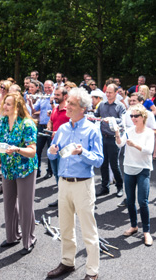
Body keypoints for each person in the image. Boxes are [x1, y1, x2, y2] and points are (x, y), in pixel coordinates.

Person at [47, 87, 103, 280]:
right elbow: (51, 154)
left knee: (88, 230)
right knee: (65, 227)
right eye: (67, 102)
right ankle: (67, 262)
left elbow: (98, 160)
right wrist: (52, 151)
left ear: (82, 109)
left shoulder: (92, 129)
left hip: (83, 185)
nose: (66, 106)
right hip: (64, 183)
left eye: (71, 103)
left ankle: (92, 271)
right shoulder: (62, 128)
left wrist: (83, 153)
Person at [0, 93, 38, 255]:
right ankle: (12, 236)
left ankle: (29, 239)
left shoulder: (27, 124)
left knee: (26, 206)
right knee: (9, 203)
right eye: (5, 103)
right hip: (7, 168)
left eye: (9, 104)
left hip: (25, 168)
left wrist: (17, 149)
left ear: (17, 107)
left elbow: (32, 151)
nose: (4, 107)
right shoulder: (2, 121)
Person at [115, 104, 154, 246]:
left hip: (143, 168)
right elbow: (120, 144)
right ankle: (133, 226)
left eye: (136, 116)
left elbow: (149, 150)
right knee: (130, 200)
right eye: (131, 116)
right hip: (129, 167)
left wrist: (135, 145)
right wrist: (117, 134)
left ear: (143, 117)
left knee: (143, 201)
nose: (133, 118)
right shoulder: (129, 130)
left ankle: (146, 232)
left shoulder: (149, 132)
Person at [95, 83, 126, 198]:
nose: (107, 94)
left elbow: (123, 121)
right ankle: (105, 187)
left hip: (114, 138)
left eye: (110, 92)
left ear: (116, 93)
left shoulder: (120, 106)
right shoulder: (101, 104)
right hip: (103, 137)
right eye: (106, 92)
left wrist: (112, 120)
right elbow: (96, 115)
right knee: (103, 164)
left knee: (114, 165)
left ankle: (119, 186)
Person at [46, 86, 70, 207]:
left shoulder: (69, 111)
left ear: (65, 96)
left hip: (65, 148)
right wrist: (49, 125)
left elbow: (73, 128)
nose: (55, 97)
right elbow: (51, 120)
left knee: (64, 174)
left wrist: (60, 133)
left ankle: (67, 200)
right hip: (54, 146)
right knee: (56, 173)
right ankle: (61, 198)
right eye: (54, 95)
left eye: (57, 95)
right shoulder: (55, 109)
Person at [28, 80, 53, 179]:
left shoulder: (54, 98)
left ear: (52, 87)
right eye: (45, 87)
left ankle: (50, 171)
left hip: (51, 127)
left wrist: (52, 104)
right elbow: (34, 110)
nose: (47, 89)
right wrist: (30, 103)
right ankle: (37, 170)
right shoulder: (42, 98)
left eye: (49, 87)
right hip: (41, 126)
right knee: (37, 149)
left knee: (50, 151)